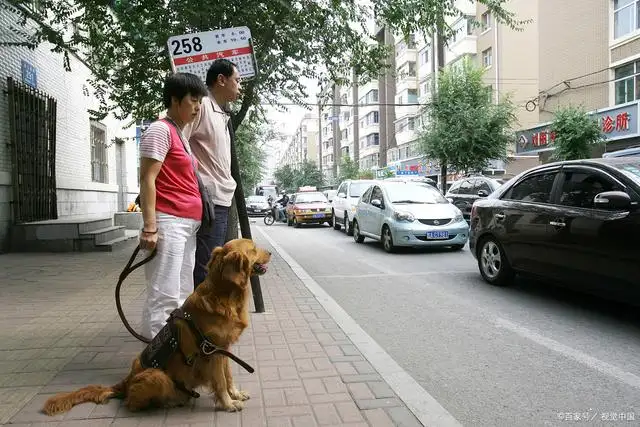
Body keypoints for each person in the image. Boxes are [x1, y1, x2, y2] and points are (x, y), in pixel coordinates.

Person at [138, 72, 208, 339]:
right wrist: (150, 227)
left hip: (186, 226)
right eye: (193, 100)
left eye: (200, 100)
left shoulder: (179, 133)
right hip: (168, 223)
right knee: (163, 293)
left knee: (181, 293)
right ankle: (155, 362)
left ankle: (173, 354)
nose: (198, 106)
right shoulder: (159, 130)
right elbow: (147, 179)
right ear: (175, 100)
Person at [184, 59, 241, 288]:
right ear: (221, 79)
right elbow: (178, 139)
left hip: (221, 200)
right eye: (236, 80)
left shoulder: (220, 113)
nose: (239, 86)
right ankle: (198, 320)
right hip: (209, 199)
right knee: (206, 266)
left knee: (212, 264)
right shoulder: (203, 107)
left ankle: (203, 318)